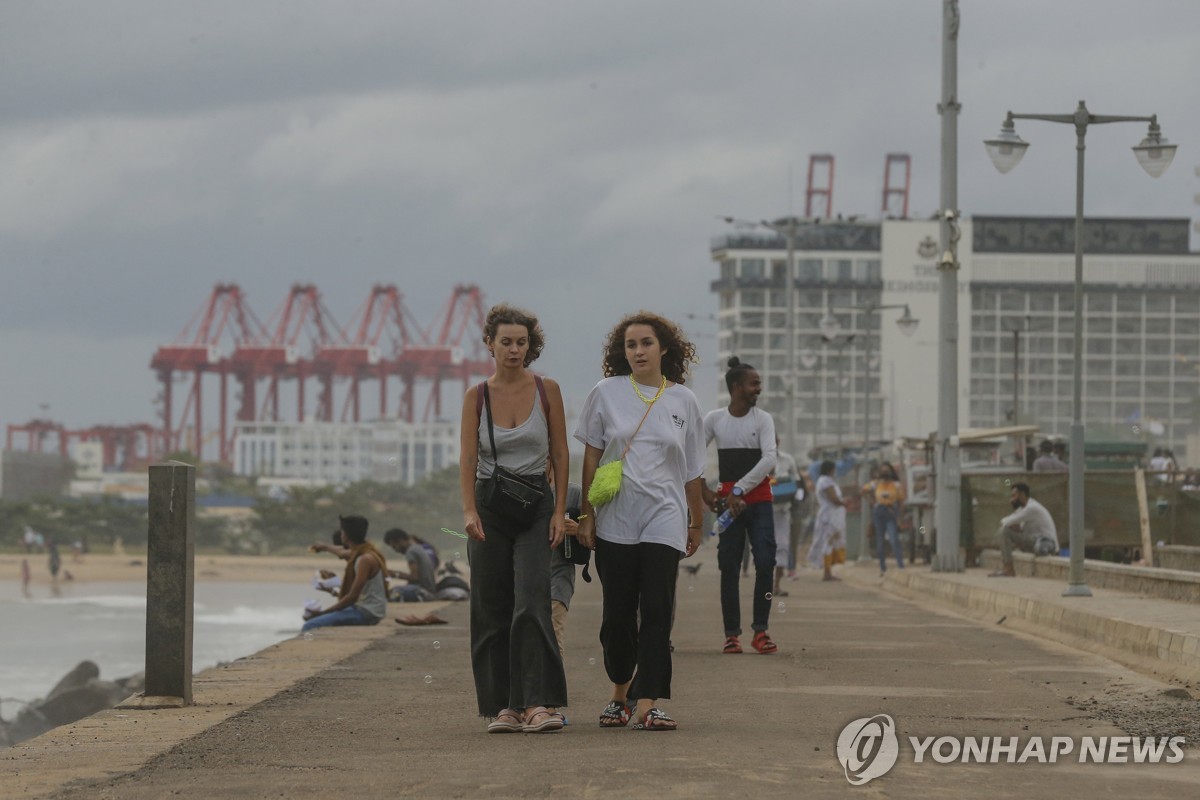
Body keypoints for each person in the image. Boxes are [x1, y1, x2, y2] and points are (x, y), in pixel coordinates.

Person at [576, 311, 706, 731]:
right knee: (617, 615)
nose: (638, 351)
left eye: (646, 343)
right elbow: (592, 455)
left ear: (664, 348)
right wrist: (586, 514)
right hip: (616, 517)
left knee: (656, 610)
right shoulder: (606, 392)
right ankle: (620, 692)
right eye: (631, 345)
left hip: (664, 518)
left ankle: (649, 702)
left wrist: (695, 522)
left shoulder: (684, 400)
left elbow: (692, 470)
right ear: (623, 351)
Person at [459, 303, 568, 735]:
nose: (514, 349)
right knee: (490, 605)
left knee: (531, 602)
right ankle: (505, 706)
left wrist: (560, 511)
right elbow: (468, 457)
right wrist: (468, 510)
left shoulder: (547, 390)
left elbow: (560, 453)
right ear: (490, 344)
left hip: (537, 505)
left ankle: (539, 703)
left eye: (521, 342)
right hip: (489, 505)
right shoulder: (477, 396)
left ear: (530, 345)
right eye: (506, 341)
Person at [701, 357, 779, 656]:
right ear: (736, 387)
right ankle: (731, 635)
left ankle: (761, 631)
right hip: (727, 505)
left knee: (765, 562)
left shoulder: (763, 419)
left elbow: (770, 458)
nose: (758, 388)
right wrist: (705, 491)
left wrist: (737, 489)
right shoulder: (715, 419)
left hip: (758, 502)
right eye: (753, 383)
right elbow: (694, 452)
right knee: (729, 567)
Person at [301, 515, 389, 632]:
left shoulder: (365, 559)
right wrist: (324, 547)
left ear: (345, 535)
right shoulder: (364, 552)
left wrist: (321, 613)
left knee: (310, 626)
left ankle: (307, 648)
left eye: (342, 531)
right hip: (364, 608)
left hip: (367, 612)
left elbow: (352, 597)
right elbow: (342, 552)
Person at [547, 467, 584, 661]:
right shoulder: (519, 493)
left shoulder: (574, 494)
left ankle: (553, 689)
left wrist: (579, 530)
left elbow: (595, 536)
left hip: (558, 578)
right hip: (523, 580)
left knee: (552, 636)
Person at [988, 483, 1059, 577]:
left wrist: (1010, 525)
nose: (1011, 500)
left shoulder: (1032, 508)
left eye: (1014, 496)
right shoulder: (1022, 509)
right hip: (1035, 542)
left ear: (1022, 495)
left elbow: (1005, 521)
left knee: (1005, 531)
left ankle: (1008, 569)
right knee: (1005, 531)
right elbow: (1015, 525)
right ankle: (1007, 567)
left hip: (1046, 544)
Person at [862, 462, 905, 574]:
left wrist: (900, 518)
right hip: (878, 512)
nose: (885, 473)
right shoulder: (875, 484)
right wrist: (871, 500)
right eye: (883, 470)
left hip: (891, 512)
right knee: (880, 541)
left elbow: (900, 501)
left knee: (893, 539)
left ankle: (901, 565)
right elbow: (863, 491)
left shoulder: (896, 485)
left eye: (887, 470)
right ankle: (882, 567)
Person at [807, 460, 847, 581]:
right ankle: (827, 572)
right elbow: (834, 498)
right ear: (831, 469)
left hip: (831, 516)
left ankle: (828, 571)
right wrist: (844, 502)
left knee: (829, 542)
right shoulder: (825, 481)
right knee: (827, 543)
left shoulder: (824, 481)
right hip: (829, 517)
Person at [771, 435, 800, 597]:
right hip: (762, 510)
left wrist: (794, 495)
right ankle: (765, 585)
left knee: (782, 545)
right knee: (763, 549)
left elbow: (796, 482)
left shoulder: (788, 460)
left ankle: (776, 585)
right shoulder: (756, 460)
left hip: (783, 510)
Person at [383, 528, 438, 602]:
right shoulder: (417, 548)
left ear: (399, 541)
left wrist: (393, 574)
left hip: (423, 592)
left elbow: (414, 577)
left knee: (396, 590)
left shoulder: (411, 551)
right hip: (429, 591)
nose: (396, 550)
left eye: (394, 547)